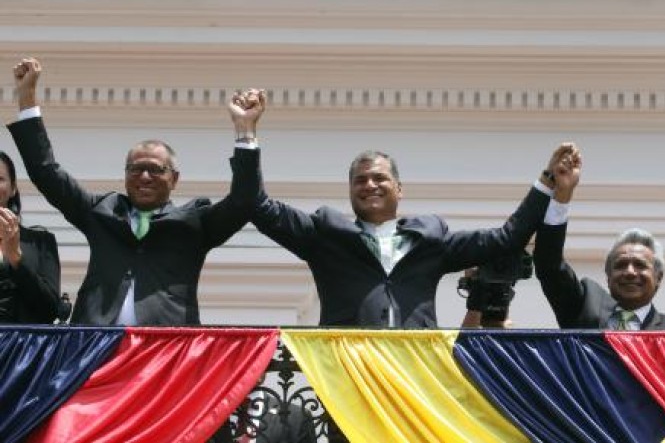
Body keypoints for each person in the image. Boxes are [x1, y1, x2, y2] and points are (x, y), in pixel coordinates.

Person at [230, 89, 580, 327]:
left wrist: (548, 181)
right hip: (349, 380)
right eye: (360, 180)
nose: (370, 185)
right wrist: (246, 133)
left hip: (414, 383)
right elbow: (256, 206)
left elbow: (508, 237)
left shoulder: (431, 240)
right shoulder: (326, 235)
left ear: (399, 189)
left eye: (379, 178)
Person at [7, 57, 262, 325]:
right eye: (135, 169)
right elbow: (46, 173)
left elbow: (243, 201)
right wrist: (27, 97)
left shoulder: (194, 223)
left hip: (164, 351)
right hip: (96, 347)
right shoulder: (101, 212)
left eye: (155, 169)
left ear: (174, 179)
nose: (144, 177)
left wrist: (245, 131)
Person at [533, 152, 665, 330]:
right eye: (620, 265)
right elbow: (549, 263)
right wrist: (562, 196)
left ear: (658, 277)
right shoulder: (585, 306)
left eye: (640, 265)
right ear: (608, 276)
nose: (630, 272)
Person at [0, 150, 60, 323]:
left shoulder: (41, 242)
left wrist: (16, 258)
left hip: (23, 347)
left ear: (12, 189)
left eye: (0, 179)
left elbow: (50, 310)